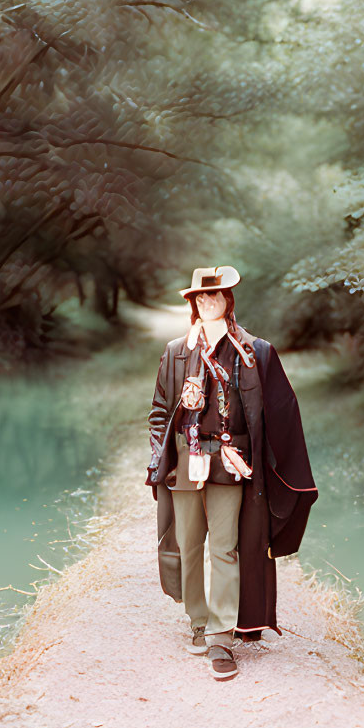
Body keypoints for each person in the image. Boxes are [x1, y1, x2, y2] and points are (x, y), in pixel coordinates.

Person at [146, 265, 318, 680]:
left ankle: (221, 638)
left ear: (228, 301)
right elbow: (158, 413)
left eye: (216, 296)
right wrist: (160, 459)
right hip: (187, 463)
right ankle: (199, 622)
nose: (208, 302)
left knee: (224, 547)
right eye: (201, 297)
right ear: (192, 304)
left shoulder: (253, 351)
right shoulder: (175, 351)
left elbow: (282, 412)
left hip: (231, 463)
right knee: (188, 545)